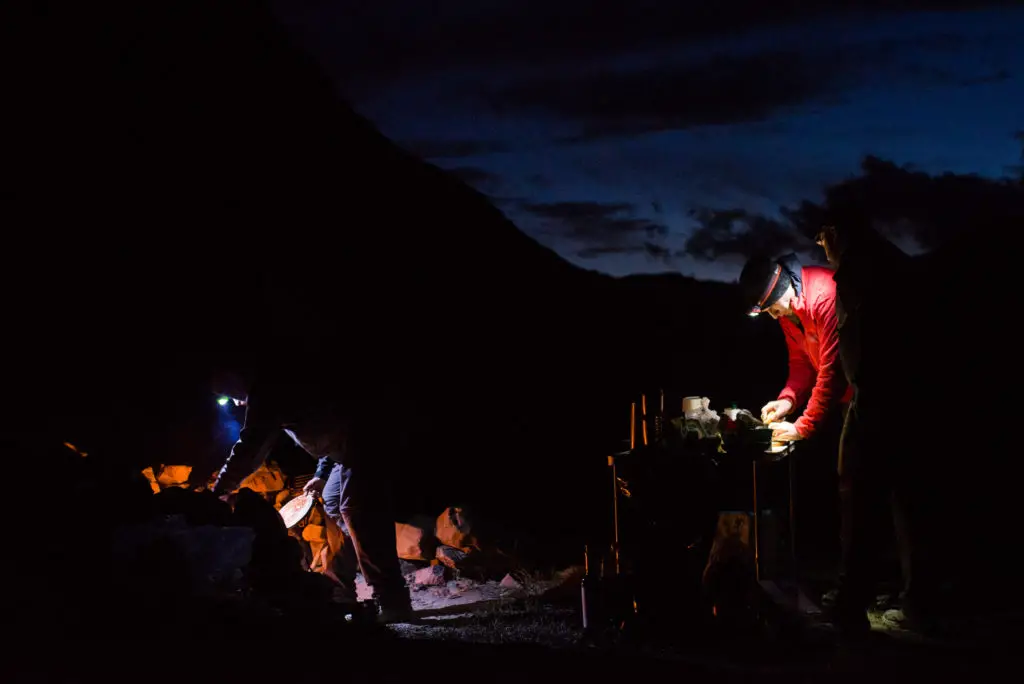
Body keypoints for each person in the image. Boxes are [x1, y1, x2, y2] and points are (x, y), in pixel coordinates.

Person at [209, 354, 414, 624]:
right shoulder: (276, 386)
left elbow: (251, 447)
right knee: (333, 501)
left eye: (227, 391)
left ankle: (392, 599)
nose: (235, 402)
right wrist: (321, 474)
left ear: (234, 375)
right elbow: (329, 424)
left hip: (367, 438)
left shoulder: (268, 389)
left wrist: (219, 491)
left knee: (358, 510)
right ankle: (341, 585)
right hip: (347, 447)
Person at [814, 223, 942, 634]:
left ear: (834, 232)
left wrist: (859, 401)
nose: (822, 249)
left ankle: (851, 604)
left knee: (859, 498)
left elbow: (853, 350)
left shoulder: (855, 269)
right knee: (910, 502)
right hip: (916, 394)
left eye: (822, 239)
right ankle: (920, 603)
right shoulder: (892, 260)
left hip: (879, 398)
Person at [739, 253, 851, 444]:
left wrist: (803, 427)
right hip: (840, 398)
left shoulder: (824, 296)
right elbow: (801, 362)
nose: (774, 317)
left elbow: (833, 370)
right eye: (768, 312)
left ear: (781, 289)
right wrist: (788, 400)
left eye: (772, 309)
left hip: (869, 391)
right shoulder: (787, 310)